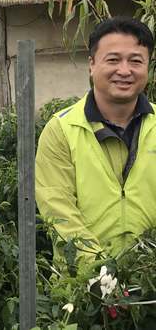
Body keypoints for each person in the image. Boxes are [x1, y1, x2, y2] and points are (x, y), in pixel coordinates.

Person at [36, 17, 156, 261]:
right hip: (84, 287)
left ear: (148, 66)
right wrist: (104, 276)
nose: (124, 71)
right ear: (91, 64)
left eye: (135, 61)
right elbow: (59, 211)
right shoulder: (62, 129)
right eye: (113, 60)